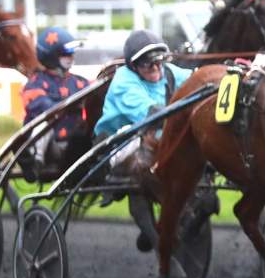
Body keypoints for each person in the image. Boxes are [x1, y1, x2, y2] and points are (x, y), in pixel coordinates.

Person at [94, 29, 219, 252]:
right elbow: (152, 115)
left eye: (158, 61)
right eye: (147, 64)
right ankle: (160, 226)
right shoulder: (123, 82)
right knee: (144, 164)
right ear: (134, 66)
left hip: (158, 137)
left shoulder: (170, 72)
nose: (155, 68)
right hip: (120, 141)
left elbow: (200, 81)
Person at [20, 26, 89, 178]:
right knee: (43, 125)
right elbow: (43, 107)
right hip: (49, 147)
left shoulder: (80, 83)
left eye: (72, 53)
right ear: (50, 56)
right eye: (66, 54)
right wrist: (71, 105)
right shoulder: (35, 83)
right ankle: (36, 163)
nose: (71, 57)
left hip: (73, 145)